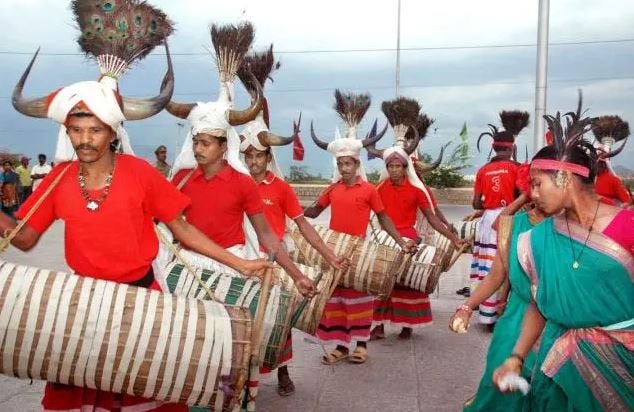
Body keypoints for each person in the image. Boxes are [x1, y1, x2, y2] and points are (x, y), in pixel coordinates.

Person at [5, 6, 271, 411]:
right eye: (76, 130)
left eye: (94, 129)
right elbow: (23, 239)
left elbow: (183, 230)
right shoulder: (57, 179)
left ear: (113, 131)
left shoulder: (140, 173)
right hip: (81, 304)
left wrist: (241, 265)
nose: (85, 139)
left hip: (143, 302)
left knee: (148, 397)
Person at [492, 101, 634, 411]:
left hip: (624, 365)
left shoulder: (627, 227)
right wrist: (516, 357)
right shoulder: (543, 236)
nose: (533, 194)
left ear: (564, 179)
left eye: (537, 184)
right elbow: (541, 303)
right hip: (559, 366)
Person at [238, 46, 348, 397]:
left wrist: (329, 256)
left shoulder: (280, 187)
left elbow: (303, 225)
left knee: (280, 317)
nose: (253, 161)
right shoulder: (234, 185)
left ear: (268, 157)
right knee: (241, 319)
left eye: (258, 156)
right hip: (241, 257)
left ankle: (282, 371)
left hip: (276, 257)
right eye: (248, 155)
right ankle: (241, 378)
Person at [307, 99, 417, 364]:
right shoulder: (331, 190)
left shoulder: (368, 190)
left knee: (360, 300)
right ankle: (341, 347)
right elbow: (311, 213)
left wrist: (401, 242)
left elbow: (383, 218)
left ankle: (361, 345)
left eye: (349, 164)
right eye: (341, 164)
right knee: (337, 301)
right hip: (334, 253)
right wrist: (288, 210)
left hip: (359, 253)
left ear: (357, 165)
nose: (345, 168)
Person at [449, 171, 549, 411]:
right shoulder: (516, 225)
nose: (535, 191)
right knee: (498, 382)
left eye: (541, 184)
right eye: (531, 184)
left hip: (556, 322)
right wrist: (466, 307)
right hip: (516, 317)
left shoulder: (571, 227)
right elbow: (497, 274)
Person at [372, 146, 466, 339]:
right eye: (390, 166)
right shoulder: (379, 189)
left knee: (409, 284)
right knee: (382, 284)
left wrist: (453, 238)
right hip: (384, 240)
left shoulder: (417, 191)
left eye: (398, 166)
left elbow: (432, 218)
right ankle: (378, 326)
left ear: (405, 168)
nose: (394, 170)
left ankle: (407, 326)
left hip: (409, 238)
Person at [470, 124, 520, 328]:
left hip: (488, 221)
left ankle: (487, 316)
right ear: (511, 148)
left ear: (493, 147)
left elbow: (475, 203)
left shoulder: (483, 170)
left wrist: (489, 202)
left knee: (488, 268)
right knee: (507, 266)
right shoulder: (516, 168)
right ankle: (504, 314)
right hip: (510, 218)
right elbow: (522, 196)